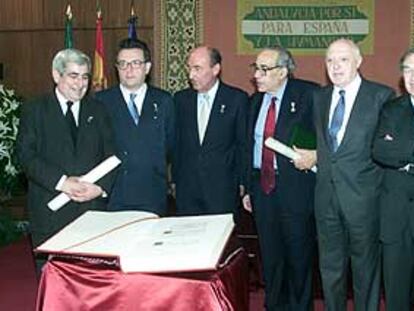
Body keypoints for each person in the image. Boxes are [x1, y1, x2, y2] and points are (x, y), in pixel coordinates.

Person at [16, 48, 116, 274]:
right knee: (55, 287)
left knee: (91, 285)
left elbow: (112, 155)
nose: (80, 84)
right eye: (73, 75)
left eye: (84, 77)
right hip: (50, 213)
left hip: (91, 212)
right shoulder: (35, 110)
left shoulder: (99, 110)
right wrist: (62, 183)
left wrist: (100, 189)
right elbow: (25, 156)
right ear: (56, 75)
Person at [313, 38, 395, 310]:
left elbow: (386, 149)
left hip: (364, 201)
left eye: (343, 60)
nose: (335, 67)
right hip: (326, 199)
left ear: (358, 62)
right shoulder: (319, 97)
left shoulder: (380, 96)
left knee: (366, 273)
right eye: (330, 61)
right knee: (330, 272)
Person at [242, 46, 318, 310]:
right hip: (263, 191)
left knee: (298, 260)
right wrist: (248, 190)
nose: (257, 75)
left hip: (296, 191)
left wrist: (316, 154)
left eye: (265, 70)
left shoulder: (309, 94)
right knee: (271, 259)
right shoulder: (254, 102)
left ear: (283, 72)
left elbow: (326, 137)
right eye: (256, 68)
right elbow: (247, 148)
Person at [96, 38, 175, 216]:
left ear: (147, 68)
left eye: (135, 63)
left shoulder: (164, 101)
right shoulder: (101, 101)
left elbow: (171, 145)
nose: (128, 69)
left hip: (152, 193)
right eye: (123, 64)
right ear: (116, 68)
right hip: (114, 194)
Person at [173, 46, 248, 218]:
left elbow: (243, 145)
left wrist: (243, 182)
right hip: (187, 190)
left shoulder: (236, 99)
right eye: (189, 68)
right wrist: (175, 180)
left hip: (222, 189)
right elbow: (177, 144)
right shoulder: (181, 100)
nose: (191, 75)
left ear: (215, 69)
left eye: (197, 68)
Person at [372, 48, 414, 311]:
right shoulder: (391, 109)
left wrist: (402, 149)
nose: (412, 76)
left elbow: (393, 150)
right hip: (396, 211)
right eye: (408, 70)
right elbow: (379, 150)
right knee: (396, 293)